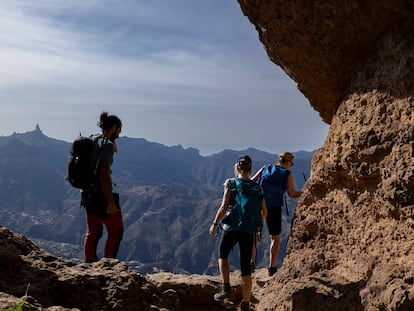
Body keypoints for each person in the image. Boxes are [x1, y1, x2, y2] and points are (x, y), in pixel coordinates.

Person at [209, 155, 267, 311]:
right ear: (250, 170)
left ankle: (226, 287)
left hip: (231, 227)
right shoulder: (257, 188)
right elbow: (265, 212)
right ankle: (246, 304)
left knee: (222, 255)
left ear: (237, 168)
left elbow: (223, 207)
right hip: (248, 230)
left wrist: (215, 224)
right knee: (246, 268)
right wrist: (256, 225)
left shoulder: (231, 183)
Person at [251, 152, 302, 276]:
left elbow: (251, 182)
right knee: (275, 237)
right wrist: (304, 193)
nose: (291, 165)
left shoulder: (265, 168)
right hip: (274, 208)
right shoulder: (287, 174)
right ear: (288, 162)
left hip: (258, 205)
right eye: (292, 163)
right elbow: (291, 193)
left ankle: (251, 263)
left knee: (254, 235)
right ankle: (272, 267)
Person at [82, 111, 124, 263]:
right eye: (119, 131)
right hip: (101, 194)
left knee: (93, 231)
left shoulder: (93, 139)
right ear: (113, 128)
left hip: (87, 194)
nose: (119, 135)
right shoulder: (106, 145)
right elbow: (104, 174)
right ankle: (109, 264)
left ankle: (89, 262)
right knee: (116, 230)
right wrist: (110, 201)